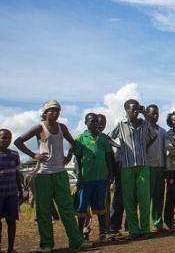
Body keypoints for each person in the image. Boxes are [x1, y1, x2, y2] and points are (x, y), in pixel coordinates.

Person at [14, 100, 88, 251]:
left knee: (67, 209)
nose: (55, 113)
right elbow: (18, 141)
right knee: (44, 211)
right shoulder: (39, 127)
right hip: (43, 174)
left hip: (60, 173)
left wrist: (68, 156)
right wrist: (33, 155)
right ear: (45, 113)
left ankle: (76, 241)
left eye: (58, 110)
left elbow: (72, 143)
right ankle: (46, 245)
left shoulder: (62, 127)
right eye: (52, 110)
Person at [109, 99, 158, 239]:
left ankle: (145, 229)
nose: (135, 111)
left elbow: (153, 134)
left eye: (137, 109)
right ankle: (133, 230)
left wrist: (144, 112)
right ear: (126, 110)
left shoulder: (144, 124)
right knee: (129, 200)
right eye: (133, 109)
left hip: (143, 166)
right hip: (127, 167)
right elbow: (108, 138)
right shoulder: (120, 125)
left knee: (144, 199)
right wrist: (119, 146)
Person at [73, 113, 113, 242]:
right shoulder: (80, 138)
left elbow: (108, 156)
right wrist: (79, 177)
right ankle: (80, 236)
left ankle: (102, 234)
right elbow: (77, 159)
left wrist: (110, 173)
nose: (94, 123)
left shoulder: (103, 138)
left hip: (101, 177)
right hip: (86, 179)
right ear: (86, 122)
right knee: (82, 207)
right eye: (91, 121)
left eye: (96, 121)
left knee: (101, 206)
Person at [144, 104, 167, 232]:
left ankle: (157, 223)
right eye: (152, 113)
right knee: (147, 197)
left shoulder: (162, 131)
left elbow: (164, 151)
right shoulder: (144, 130)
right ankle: (144, 224)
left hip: (160, 167)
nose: (155, 116)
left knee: (159, 197)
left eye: (157, 114)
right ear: (147, 114)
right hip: (149, 167)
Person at [0, 129, 22, 253]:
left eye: (9, 138)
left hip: (11, 194)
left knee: (11, 221)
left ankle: (10, 248)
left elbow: (17, 173)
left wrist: (21, 190)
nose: (6, 140)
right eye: (3, 137)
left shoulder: (14, 154)